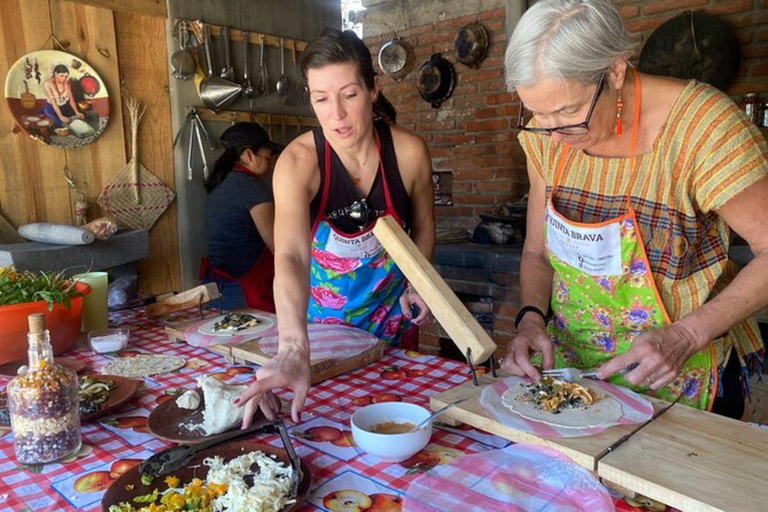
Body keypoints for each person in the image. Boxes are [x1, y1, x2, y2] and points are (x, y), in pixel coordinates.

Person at [501, 0, 767, 419]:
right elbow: (537, 252)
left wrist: (685, 335)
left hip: (680, 377)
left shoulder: (702, 127)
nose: (551, 134)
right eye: (537, 114)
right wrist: (531, 320)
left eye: (568, 111)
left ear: (615, 71)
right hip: (573, 378)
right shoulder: (547, 137)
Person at [235, 29, 436, 426]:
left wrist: (420, 285)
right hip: (321, 327)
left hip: (391, 319)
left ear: (374, 89)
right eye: (321, 99)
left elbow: (425, 230)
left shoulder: (409, 153)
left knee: (389, 422)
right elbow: (290, 254)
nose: (336, 115)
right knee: (330, 425)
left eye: (349, 94)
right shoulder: (298, 162)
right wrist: (293, 346)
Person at [201, 122, 279, 312]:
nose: (270, 167)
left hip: (215, 290)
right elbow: (277, 245)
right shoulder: (253, 188)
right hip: (245, 292)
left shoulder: (220, 182)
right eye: (268, 159)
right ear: (249, 155)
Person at [42, 64, 89, 136]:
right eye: (61, 76)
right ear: (55, 74)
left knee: (80, 116)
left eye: (66, 76)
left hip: (63, 107)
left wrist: (76, 112)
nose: (64, 78)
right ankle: (54, 128)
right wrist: (61, 116)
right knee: (60, 123)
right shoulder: (48, 83)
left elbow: (71, 100)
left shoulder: (67, 84)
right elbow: (54, 103)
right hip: (51, 108)